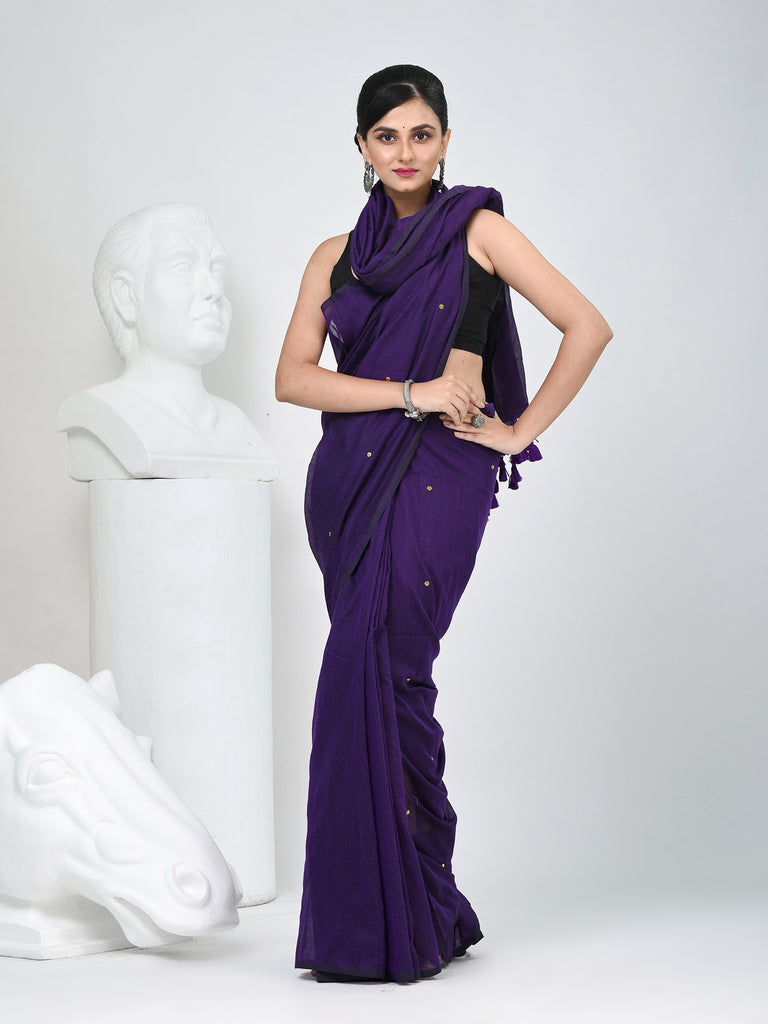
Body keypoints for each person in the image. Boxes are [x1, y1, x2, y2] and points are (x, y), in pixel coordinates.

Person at [275, 64, 612, 984]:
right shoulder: (333, 255)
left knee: (388, 668)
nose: (405, 152)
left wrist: (519, 430)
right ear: (361, 146)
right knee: (368, 682)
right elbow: (294, 379)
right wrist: (412, 392)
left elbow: (586, 326)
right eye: (387, 136)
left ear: (446, 140)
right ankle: (411, 911)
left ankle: (397, 917)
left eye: (421, 133)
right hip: (346, 485)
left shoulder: (478, 230)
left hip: (440, 480)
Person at [58, 202, 275, 481]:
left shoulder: (236, 425)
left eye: (217, 271)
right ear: (126, 296)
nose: (214, 290)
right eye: (182, 267)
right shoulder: (100, 411)